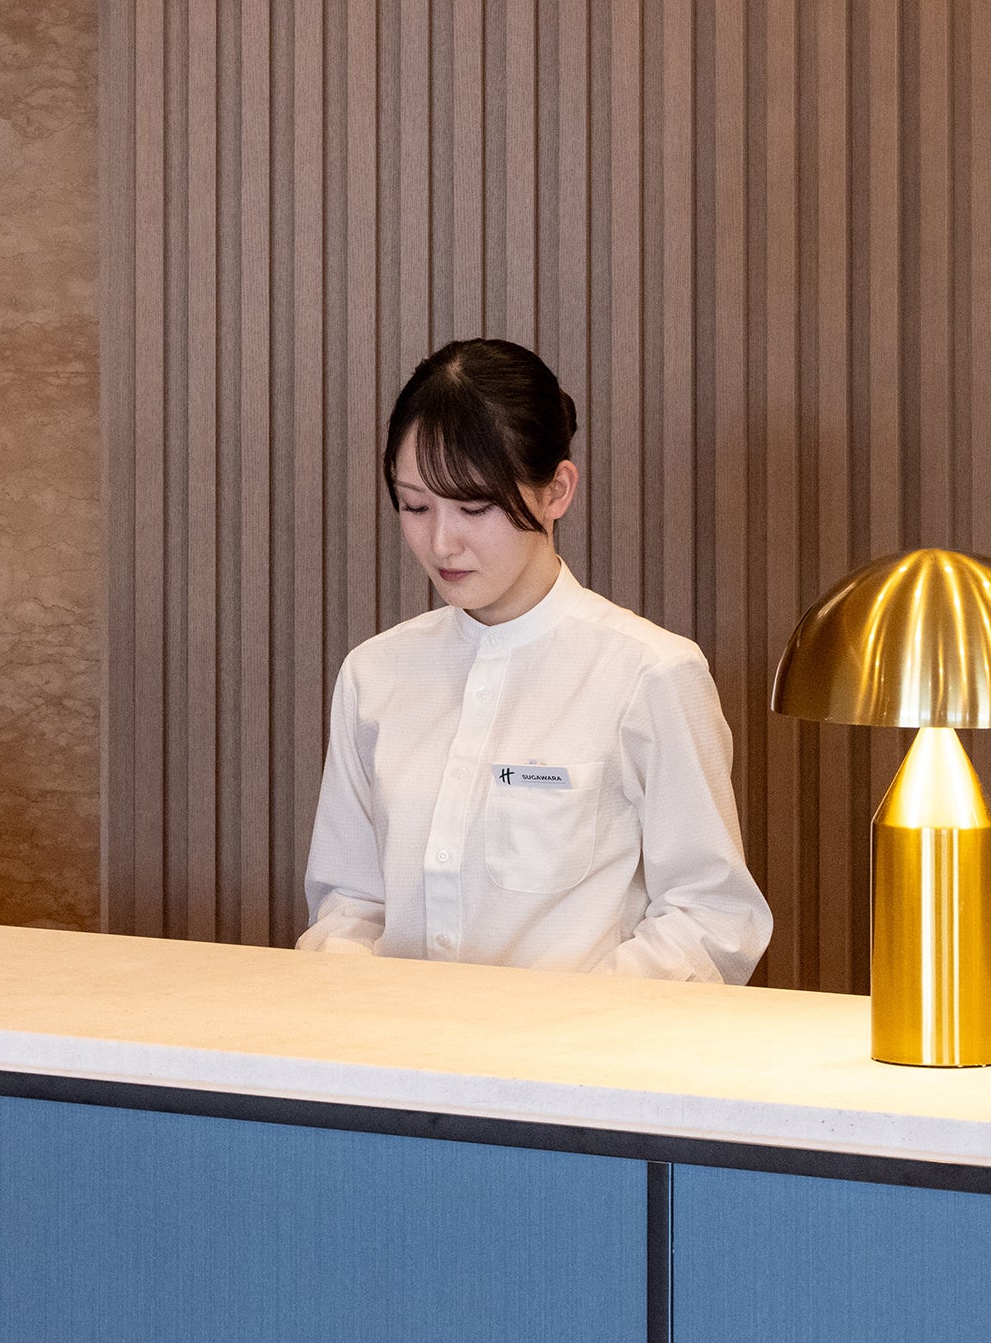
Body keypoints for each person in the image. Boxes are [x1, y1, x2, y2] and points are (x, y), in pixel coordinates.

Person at [299, 339, 773, 983]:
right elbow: (349, 903)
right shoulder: (374, 673)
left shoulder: (650, 674)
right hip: (388, 1040)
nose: (441, 542)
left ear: (557, 490)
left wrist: (567, 1019)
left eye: (474, 507)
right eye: (415, 506)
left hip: (578, 1042)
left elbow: (713, 917)